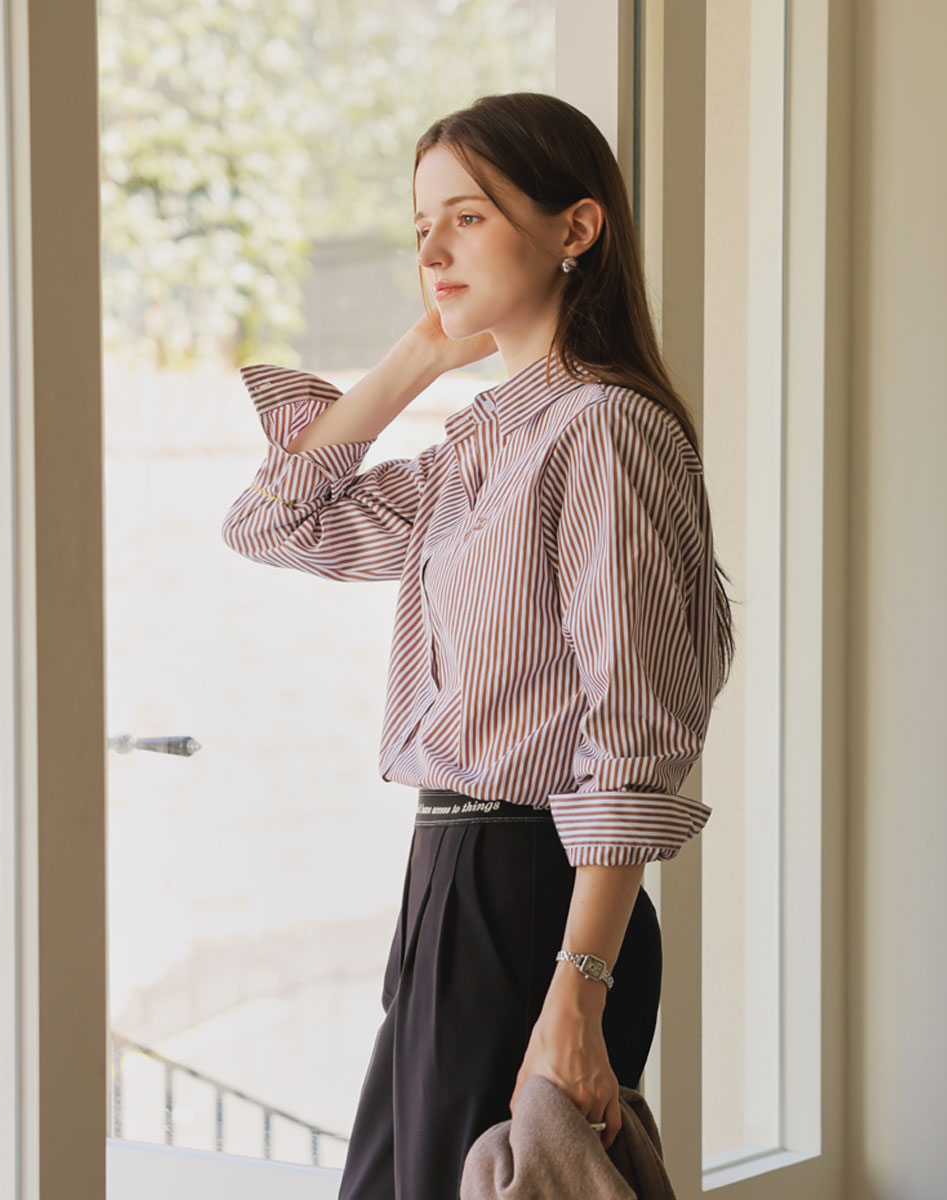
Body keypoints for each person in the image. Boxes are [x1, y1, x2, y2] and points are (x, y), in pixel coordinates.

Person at [221, 90, 735, 1200]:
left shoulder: (604, 430)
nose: (434, 251)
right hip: (448, 887)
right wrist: (417, 354)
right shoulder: (476, 453)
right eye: (420, 229)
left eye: (467, 217)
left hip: (533, 895)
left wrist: (577, 991)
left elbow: (635, 739)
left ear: (574, 228)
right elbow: (273, 522)